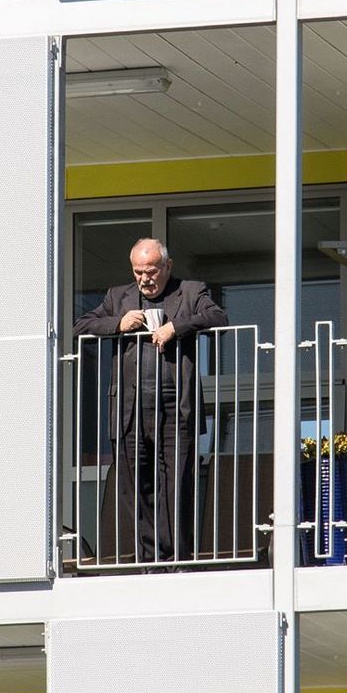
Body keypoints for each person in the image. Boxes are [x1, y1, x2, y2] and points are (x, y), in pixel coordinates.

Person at [74, 238, 228, 565]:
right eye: (138, 272)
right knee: (136, 488)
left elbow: (218, 319)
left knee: (176, 487)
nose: (145, 278)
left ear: (167, 267)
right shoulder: (119, 297)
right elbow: (81, 326)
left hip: (175, 407)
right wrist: (118, 323)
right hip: (129, 410)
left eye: (152, 271)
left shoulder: (189, 291)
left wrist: (177, 327)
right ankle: (149, 560)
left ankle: (176, 560)